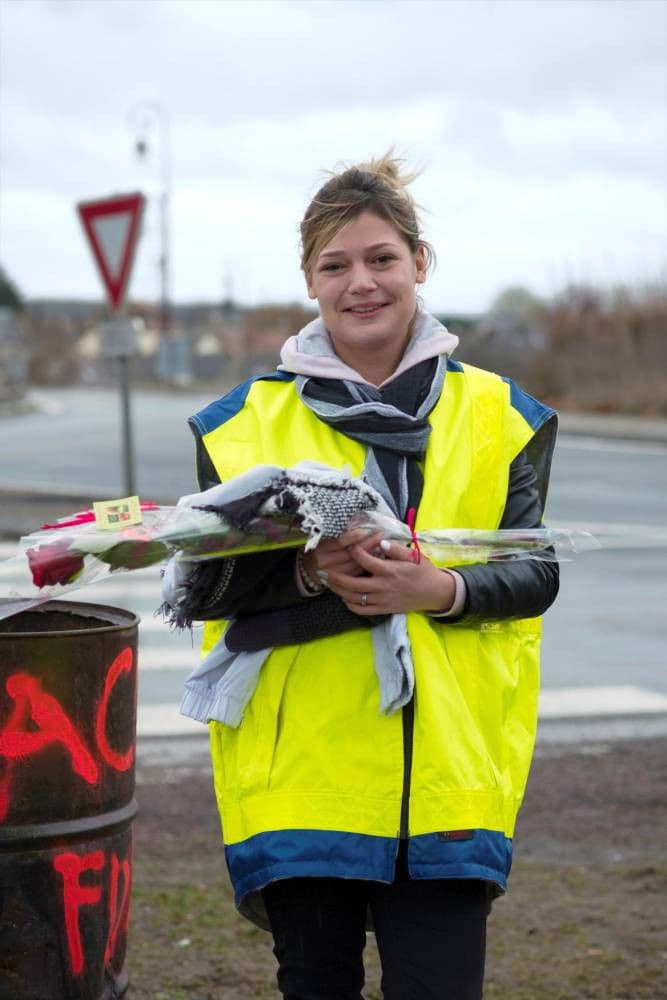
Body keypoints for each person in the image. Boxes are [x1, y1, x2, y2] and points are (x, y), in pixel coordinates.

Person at [163, 153, 559, 1000]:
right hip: (300, 771)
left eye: (380, 258)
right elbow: (203, 595)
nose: (361, 283)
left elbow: (534, 574)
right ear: (309, 280)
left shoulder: (503, 416)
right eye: (334, 265)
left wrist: (438, 591)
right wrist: (308, 573)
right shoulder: (235, 426)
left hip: (449, 771)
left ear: (420, 263)